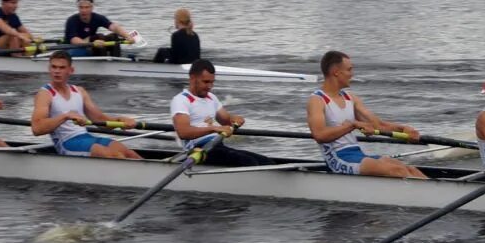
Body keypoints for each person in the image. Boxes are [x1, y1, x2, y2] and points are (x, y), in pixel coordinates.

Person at [306, 50, 426, 178]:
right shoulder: (317, 100)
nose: (352, 74)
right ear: (336, 72)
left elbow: (377, 125)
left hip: (357, 153)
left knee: (409, 169)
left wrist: (403, 130)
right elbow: (319, 135)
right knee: (397, 171)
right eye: (349, 70)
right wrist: (352, 126)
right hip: (337, 158)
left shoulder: (350, 97)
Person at [31, 50, 141, 159]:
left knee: (128, 153)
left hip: (86, 137)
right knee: (110, 155)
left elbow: (100, 121)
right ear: (49, 69)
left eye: (62, 68)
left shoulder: (79, 91)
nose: (57, 71)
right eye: (54, 67)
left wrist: (119, 121)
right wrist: (65, 116)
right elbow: (37, 129)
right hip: (66, 143)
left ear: (71, 70)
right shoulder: (45, 94)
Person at [170, 59, 279, 167]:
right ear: (192, 78)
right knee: (248, 162)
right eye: (206, 82)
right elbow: (183, 132)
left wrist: (235, 119)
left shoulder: (211, 98)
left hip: (217, 146)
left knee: (267, 162)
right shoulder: (181, 100)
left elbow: (226, 121)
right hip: (197, 151)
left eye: (212, 82)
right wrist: (214, 129)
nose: (210, 86)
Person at [64, 0, 136, 58]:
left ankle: (116, 61)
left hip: (91, 44)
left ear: (92, 7)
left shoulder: (97, 18)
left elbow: (113, 26)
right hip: (74, 48)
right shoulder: (71, 20)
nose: (84, 10)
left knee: (113, 37)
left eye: (86, 7)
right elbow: (74, 40)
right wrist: (91, 44)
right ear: (78, 8)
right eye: (81, 7)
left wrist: (127, 36)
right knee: (99, 37)